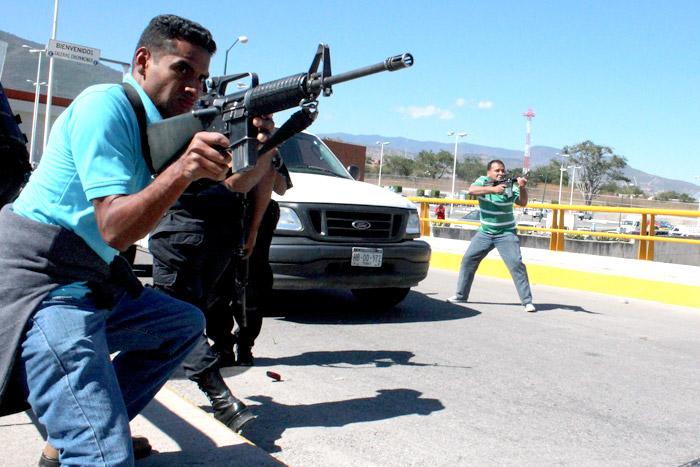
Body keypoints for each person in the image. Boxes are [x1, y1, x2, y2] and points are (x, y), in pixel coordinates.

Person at [0, 14, 274, 466]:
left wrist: (260, 147)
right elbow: (115, 229)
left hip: (89, 280)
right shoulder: (104, 107)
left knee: (180, 325)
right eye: (182, 70)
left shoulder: (161, 126)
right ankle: (87, 442)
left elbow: (231, 187)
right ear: (143, 61)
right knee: (103, 458)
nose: (193, 87)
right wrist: (183, 169)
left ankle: (69, 439)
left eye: (201, 78)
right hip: (45, 286)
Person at [149, 148, 289, 432]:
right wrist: (250, 231)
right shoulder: (257, 138)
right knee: (189, 313)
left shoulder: (190, 129)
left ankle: (223, 400)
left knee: (175, 319)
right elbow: (264, 176)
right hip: (223, 232)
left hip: (183, 226)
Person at [447, 160, 536, 312]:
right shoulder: (483, 181)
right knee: (468, 260)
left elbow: (522, 202)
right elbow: (471, 190)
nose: (501, 173)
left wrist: (522, 187)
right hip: (485, 233)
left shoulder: (510, 185)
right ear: (489, 172)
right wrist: (493, 190)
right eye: (497, 170)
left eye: (503, 170)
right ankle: (460, 295)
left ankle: (527, 301)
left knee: (516, 264)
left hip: (506, 233)